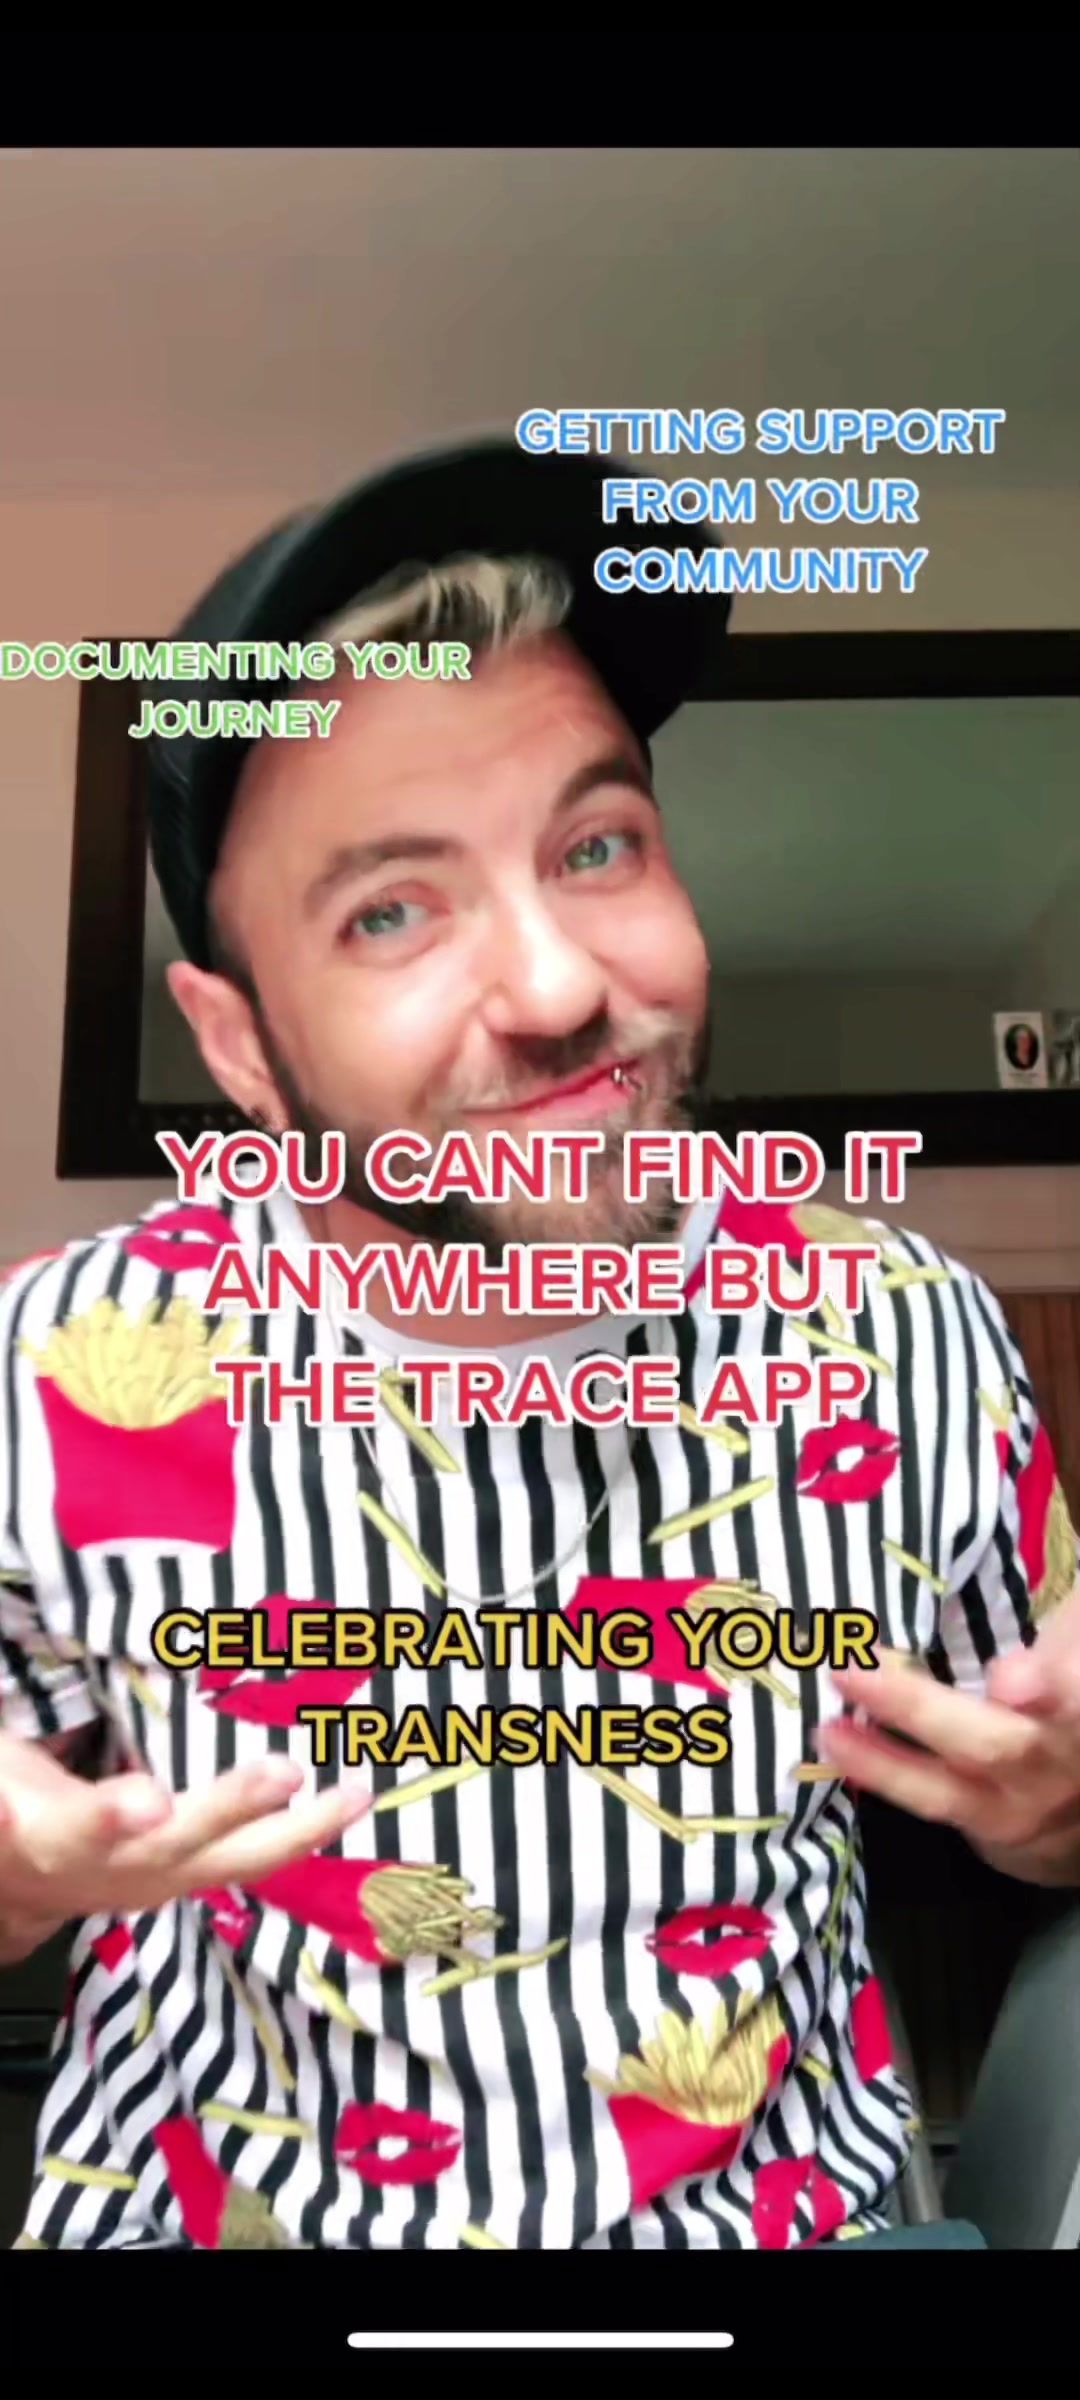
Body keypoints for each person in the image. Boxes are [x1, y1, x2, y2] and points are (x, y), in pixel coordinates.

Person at [2, 440, 1079, 2255]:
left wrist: (1061, 1807)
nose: (566, 987)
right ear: (241, 1047)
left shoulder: (902, 1333)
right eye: (390, 910)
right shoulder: (56, 1370)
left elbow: (1044, 1806)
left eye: (596, 847)